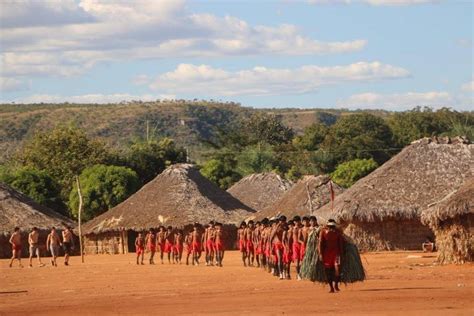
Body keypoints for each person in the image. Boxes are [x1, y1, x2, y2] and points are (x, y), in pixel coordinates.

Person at [318, 219, 344, 293]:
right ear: (327, 226)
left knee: (337, 268)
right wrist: (320, 254)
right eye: (330, 226)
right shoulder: (323, 232)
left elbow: (340, 244)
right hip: (326, 253)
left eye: (332, 226)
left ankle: (336, 284)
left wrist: (341, 254)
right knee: (328, 271)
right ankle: (331, 287)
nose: (331, 228)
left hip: (336, 253)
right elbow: (320, 243)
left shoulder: (338, 232)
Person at [291, 216, 302, 280]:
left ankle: (301, 273)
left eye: (297, 221)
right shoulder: (293, 229)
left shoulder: (302, 228)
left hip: (301, 245)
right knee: (297, 260)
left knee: (302, 260)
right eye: (295, 221)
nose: (296, 222)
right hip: (295, 245)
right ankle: (298, 274)